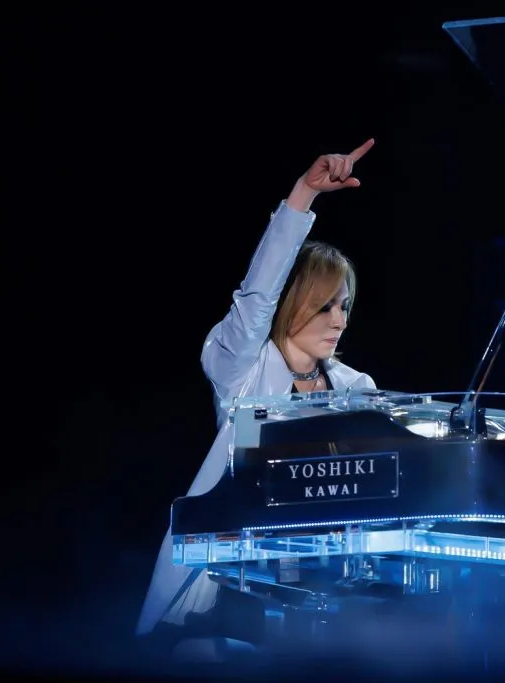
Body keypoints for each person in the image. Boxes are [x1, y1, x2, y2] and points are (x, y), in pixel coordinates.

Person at [135, 139, 378, 648]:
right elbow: (256, 297)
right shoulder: (243, 368)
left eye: (345, 306)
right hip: (221, 583)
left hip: (313, 589)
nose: (339, 320)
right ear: (294, 301)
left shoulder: (356, 389)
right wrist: (303, 195)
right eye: (325, 306)